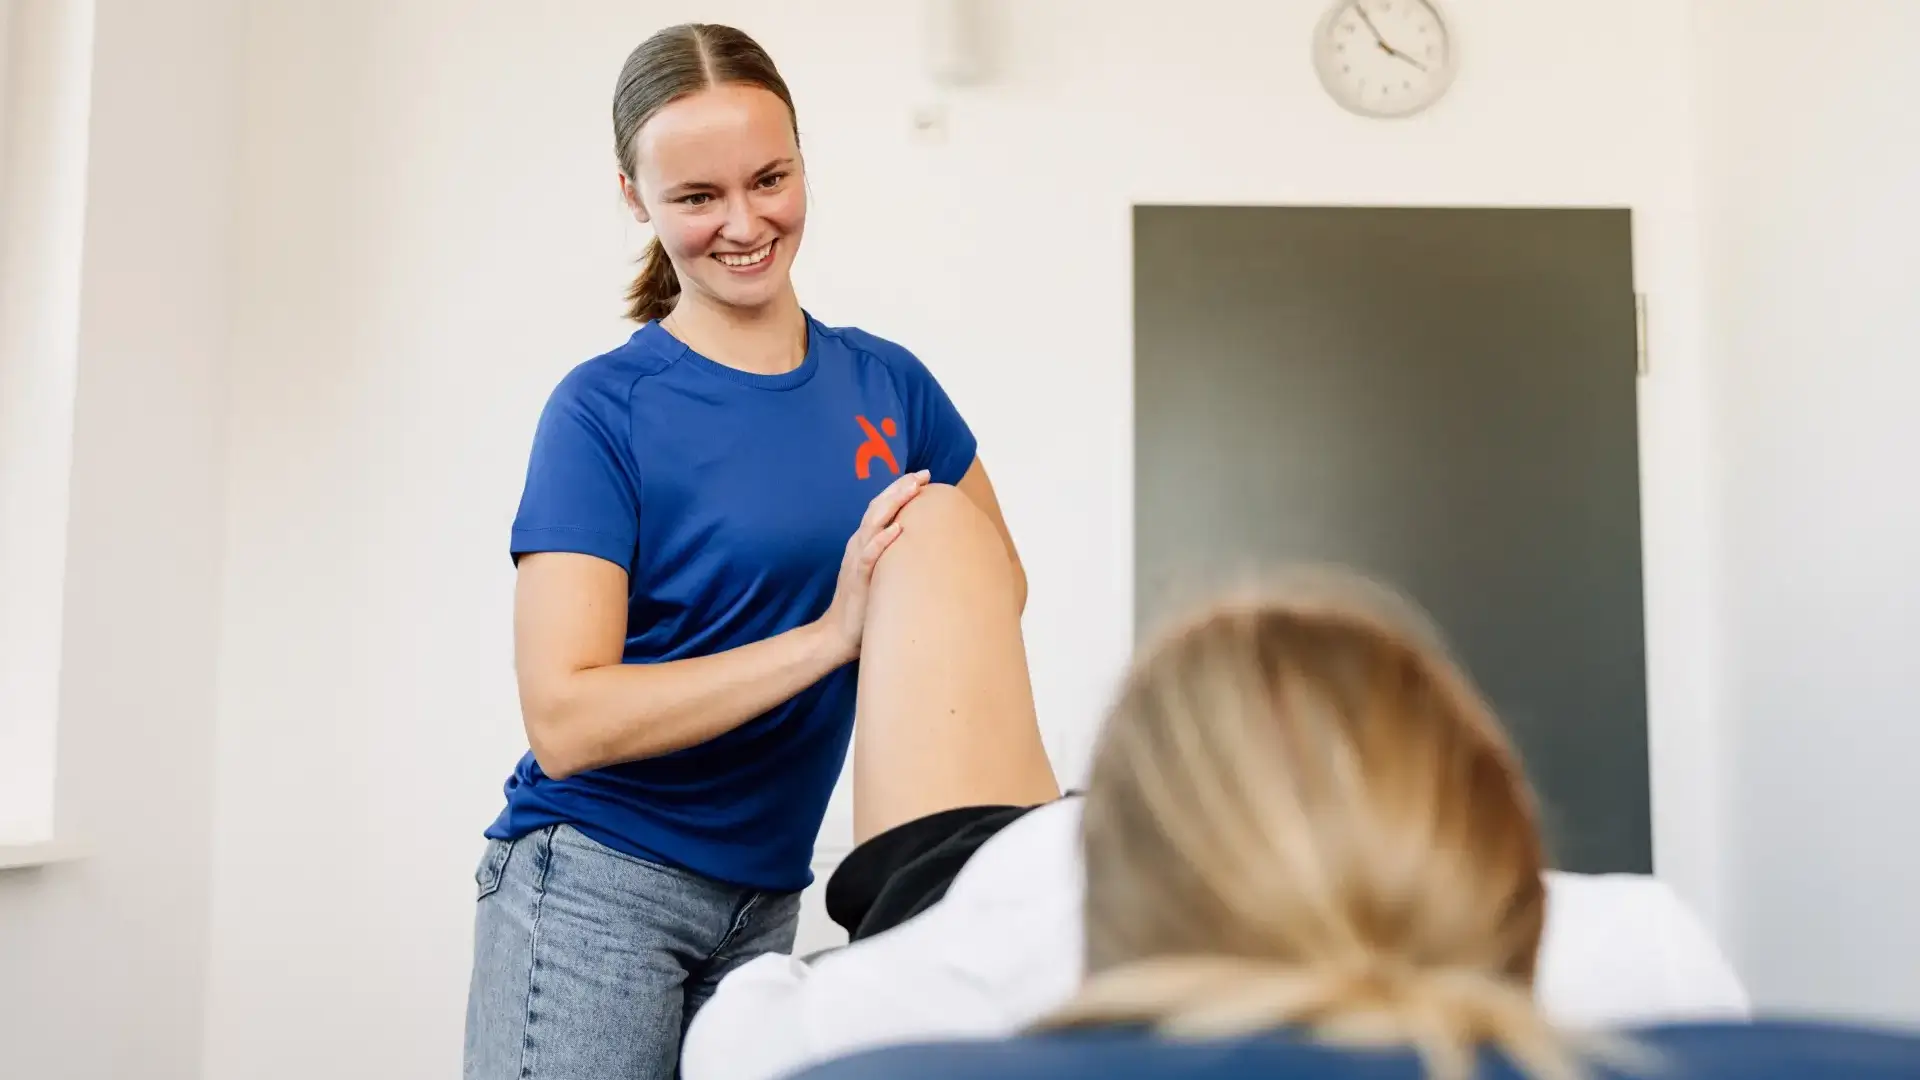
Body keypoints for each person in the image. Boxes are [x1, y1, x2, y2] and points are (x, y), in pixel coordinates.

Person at [737, 555, 1920, 1080]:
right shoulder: (1635, 945)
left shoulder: (993, 955)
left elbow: (739, 1033)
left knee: (934, 526)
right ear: (1482, 810)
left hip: (1002, 865)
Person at [462, 22, 1025, 1080]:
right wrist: (831, 636)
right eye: (696, 198)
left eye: (770, 178)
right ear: (636, 198)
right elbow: (568, 718)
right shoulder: (603, 412)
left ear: (804, 160)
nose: (744, 223)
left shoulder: (889, 387)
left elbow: (988, 588)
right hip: (596, 889)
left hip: (769, 901)